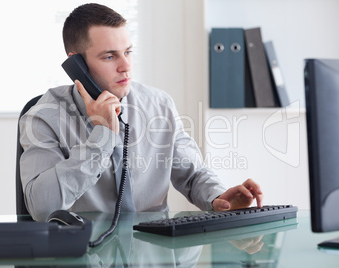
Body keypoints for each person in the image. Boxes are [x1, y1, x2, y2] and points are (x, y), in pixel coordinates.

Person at [19, 3, 263, 222]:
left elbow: (192, 173)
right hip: (83, 251)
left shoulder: (158, 105)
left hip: (153, 252)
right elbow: (42, 207)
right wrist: (102, 136)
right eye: (109, 56)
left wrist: (218, 198)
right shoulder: (44, 117)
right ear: (76, 64)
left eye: (128, 52)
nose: (125, 66)